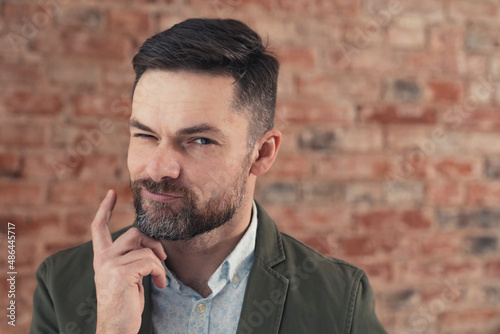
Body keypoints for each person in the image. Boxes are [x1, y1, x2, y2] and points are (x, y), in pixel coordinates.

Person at [30, 18, 387, 334]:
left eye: (199, 140)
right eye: (145, 135)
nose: (158, 168)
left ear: (262, 153)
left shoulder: (340, 298)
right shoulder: (62, 286)